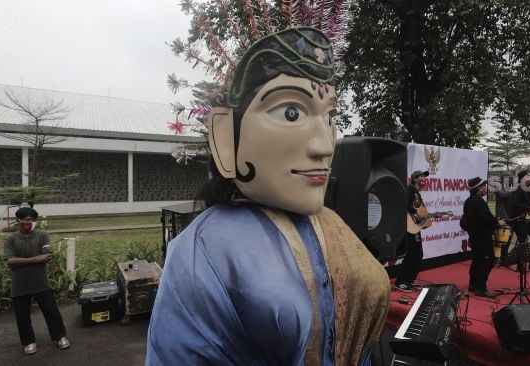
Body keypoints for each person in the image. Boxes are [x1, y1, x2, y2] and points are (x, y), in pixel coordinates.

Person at [145, 27, 390, 366]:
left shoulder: (331, 223)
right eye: (291, 112)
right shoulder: (202, 250)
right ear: (225, 134)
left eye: (330, 116)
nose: (324, 145)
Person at [2, 207, 70, 355]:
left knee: (51, 311)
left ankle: (60, 337)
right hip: (19, 284)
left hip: (41, 282)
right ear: (19, 221)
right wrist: (35, 259)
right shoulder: (11, 238)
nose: (31, 222)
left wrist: (24, 261)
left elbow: (47, 256)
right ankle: (29, 342)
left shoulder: (42, 235)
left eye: (33, 220)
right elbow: (10, 261)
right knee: (22, 316)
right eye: (27, 219)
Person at [462, 177, 507, 298]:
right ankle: (481, 288)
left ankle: (473, 284)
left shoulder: (468, 201)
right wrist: (497, 222)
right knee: (488, 261)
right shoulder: (479, 202)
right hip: (482, 238)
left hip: (474, 237)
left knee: (477, 260)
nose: (485, 189)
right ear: (478, 188)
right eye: (484, 186)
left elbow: (464, 222)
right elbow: (487, 219)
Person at [394, 170, 430, 293]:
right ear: (415, 179)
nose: (424, 179)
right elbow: (404, 204)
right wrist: (416, 213)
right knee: (410, 255)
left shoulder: (418, 194)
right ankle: (400, 282)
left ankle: (409, 280)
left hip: (415, 229)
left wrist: (423, 220)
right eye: (421, 177)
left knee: (418, 255)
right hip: (408, 228)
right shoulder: (409, 189)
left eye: (425, 177)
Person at [494, 175, 514, 259]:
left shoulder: (509, 188)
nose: (511, 182)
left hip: (510, 215)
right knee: (500, 238)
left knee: (508, 237)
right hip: (502, 216)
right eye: (510, 180)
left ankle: (504, 256)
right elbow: (504, 195)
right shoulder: (498, 187)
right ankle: (497, 257)